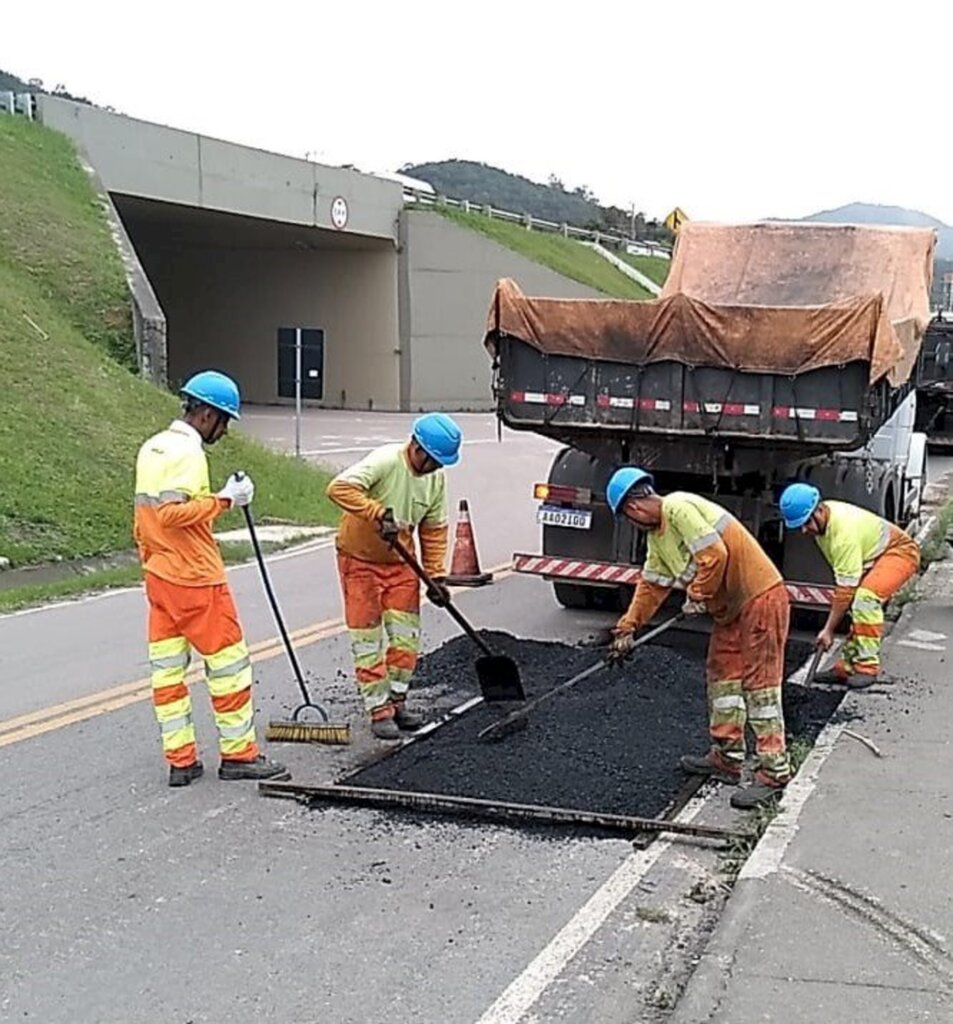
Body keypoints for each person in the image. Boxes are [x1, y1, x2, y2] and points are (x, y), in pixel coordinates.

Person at [134, 370, 288, 787]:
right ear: (206, 414)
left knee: (167, 674)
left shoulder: (153, 447)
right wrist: (226, 499)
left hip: (160, 576)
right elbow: (171, 514)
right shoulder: (188, 453)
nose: (224, 430)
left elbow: (148, 518)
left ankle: (181, 761)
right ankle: (239, 755)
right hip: (196, 580)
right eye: (224, 421)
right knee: (229, 667)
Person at [605, 467, 792, 809]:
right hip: (730, 610)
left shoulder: (678, 507)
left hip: (759, 597)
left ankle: (774, 771)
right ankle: (728, 756)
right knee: (722, 678)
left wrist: (698, 593)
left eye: (628, 518)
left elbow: (715, 555)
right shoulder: (658, 539)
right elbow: (651, 587)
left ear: (632, 508)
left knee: (759, 687)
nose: (632, 524)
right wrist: (627, 628)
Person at [327, 414, 462, 740]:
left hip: (401, 566)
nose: (435, 468)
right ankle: (379, 711)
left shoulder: (435, 479)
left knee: (405, 639)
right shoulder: (386, 461)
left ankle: (398, 701)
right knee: (368, 640)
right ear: (417, 447)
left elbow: (433, 530)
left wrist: (436, 577)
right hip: (359, 561)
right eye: (433, 461)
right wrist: (377, 512)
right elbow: (338, 488)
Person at [779, 483, 920, 686]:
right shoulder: (823, 526)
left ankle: (867, 667)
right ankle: (846, 668)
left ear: (819, 509)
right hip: (874, 556)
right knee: (857, 604)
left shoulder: (842, 532)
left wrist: (828, 630)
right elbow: (844, 585)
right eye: (799, 525)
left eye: (806, 523)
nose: (804, 530)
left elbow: (844, 591)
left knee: (865, 600)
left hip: (900, 552)